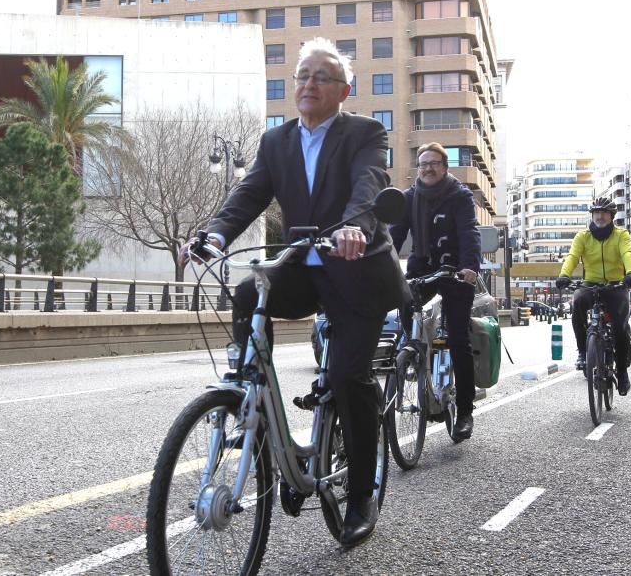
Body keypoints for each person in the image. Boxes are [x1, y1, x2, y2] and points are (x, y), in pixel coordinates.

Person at [184, 38, 407, 548]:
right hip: (305, 268)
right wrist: (214, 235)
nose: (308, 84)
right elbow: (250, 193)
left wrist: (355, 228)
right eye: (302, 76)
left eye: (321, 77)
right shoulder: (276, 141)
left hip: (356, 272)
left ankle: (359, 496)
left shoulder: (364, 132)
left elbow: (368, 186)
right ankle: (246, 395)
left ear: (343, 90)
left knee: (348, 377)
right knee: (247, 293)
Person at [389, 141, 481, 441]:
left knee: (457, 339)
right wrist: (382, 266)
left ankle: (465, 411)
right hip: (422, 268)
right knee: (404, 303)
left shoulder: (460, 195)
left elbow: (469, 231)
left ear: (445, 167)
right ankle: (416, 354)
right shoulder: (409, 197)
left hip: (455, 271)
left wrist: (469, 267)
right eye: (423, 163)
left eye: (433, 163)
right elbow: (394, 236)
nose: (427, 168)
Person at [555, 197, 631, 395]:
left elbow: (627, 254)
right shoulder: (582, 236)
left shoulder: (621, 235)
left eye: (604, 213)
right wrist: (564, 275)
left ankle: (622, 371)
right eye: (596, 213)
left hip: (616, 284)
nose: (599, 216)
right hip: (590, 283)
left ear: (611, 216)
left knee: (620, 328)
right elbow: (573, 257)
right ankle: (583, 352)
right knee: (578, 303)